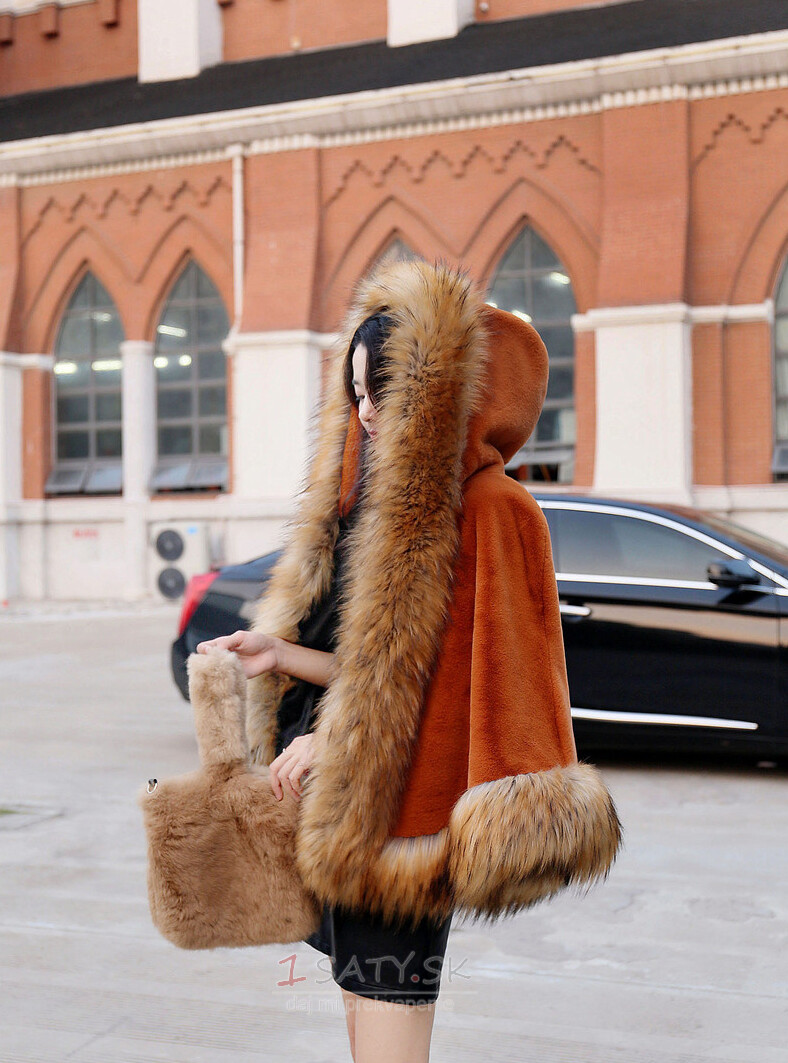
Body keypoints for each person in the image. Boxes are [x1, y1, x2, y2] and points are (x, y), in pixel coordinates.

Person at [197, 258, 622, 1063]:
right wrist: (284, 651)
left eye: (382, 390)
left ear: (433, 393)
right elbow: (389, 674)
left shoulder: (495, 508)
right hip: (356, 829)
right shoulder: (389, 519)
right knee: (365, 1031)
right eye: (356, 392)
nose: (366, 412)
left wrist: (336, 738)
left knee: (390, 1041)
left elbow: (476, 686)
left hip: (411, 831)